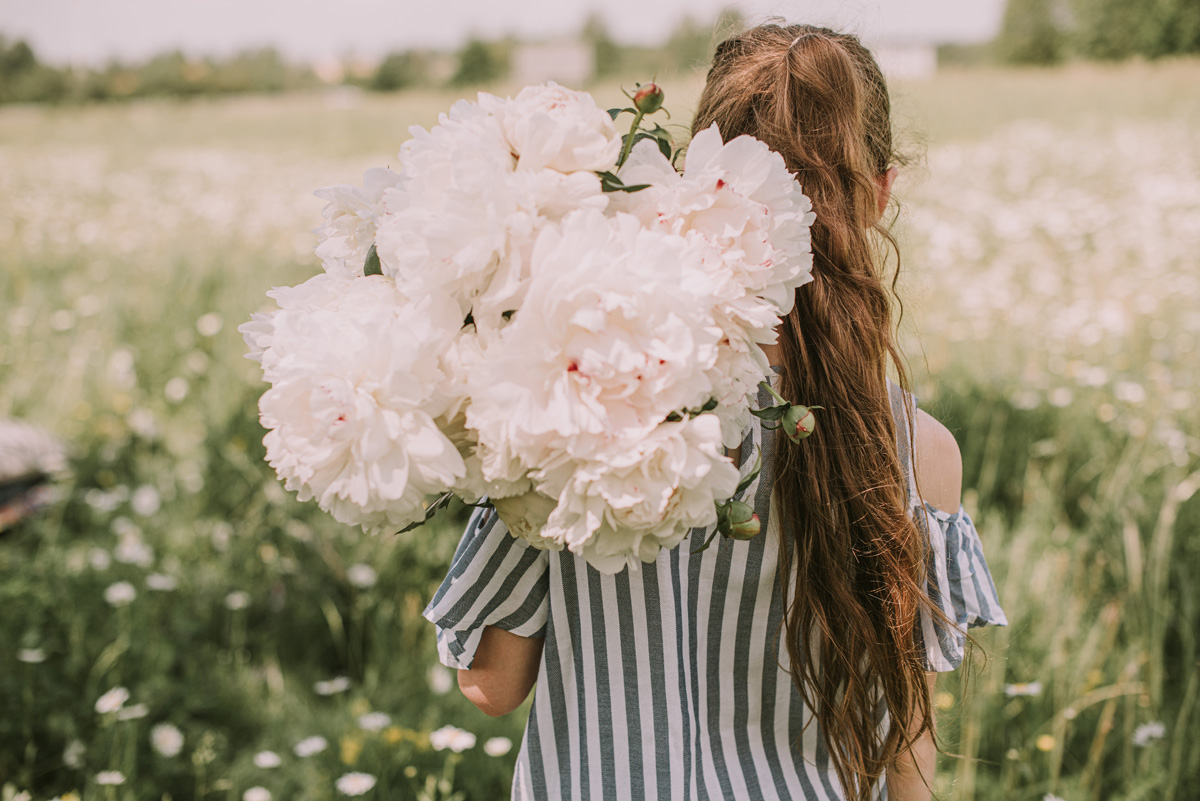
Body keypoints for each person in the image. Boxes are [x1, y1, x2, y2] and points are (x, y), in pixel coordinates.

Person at [423, 22, 1007, 801]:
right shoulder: (917, 450)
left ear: (691, 182)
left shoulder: (581, 402)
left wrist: (506, 425)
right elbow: (907, 752)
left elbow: (491, 686)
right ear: (879, 193)